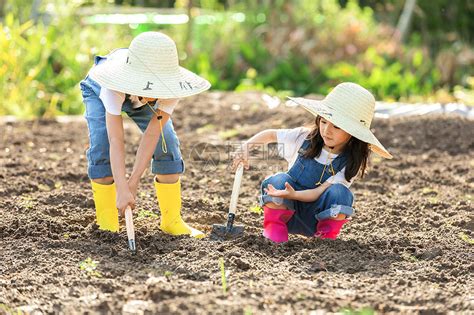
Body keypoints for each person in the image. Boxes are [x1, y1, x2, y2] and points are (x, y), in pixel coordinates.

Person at [79, 31, 210, 238]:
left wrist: (133, 182)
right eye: (153, 86)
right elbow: (116, 140)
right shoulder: (111, 85)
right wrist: (121, 188)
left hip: (138, 97)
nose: (159, 92)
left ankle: (172, 220)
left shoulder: (169, 88)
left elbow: (152, 134)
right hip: (98, 89)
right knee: (101, 146)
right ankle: (108, 222)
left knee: (166, 140)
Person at [233, 82, 392, 243]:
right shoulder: (303, 138)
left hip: (316, 217)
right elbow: (270, 135)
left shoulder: (349, 162)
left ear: (353, 133)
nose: (326, 131)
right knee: (278, 181)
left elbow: (318, 192)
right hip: (288, 209)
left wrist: (294, 194)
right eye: (323, 122)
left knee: (340, 193)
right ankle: (274, 233)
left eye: (336, 127)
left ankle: (325, 239)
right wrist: (245, 148)